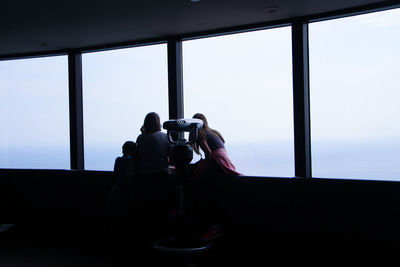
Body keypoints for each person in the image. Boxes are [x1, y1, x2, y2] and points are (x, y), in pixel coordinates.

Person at [133, 112, 173, 241]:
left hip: (145, 178)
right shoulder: (165, 137)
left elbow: (137, 157)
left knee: (148, 211)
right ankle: (163, 236)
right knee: (162, 210)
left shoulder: (141, 138)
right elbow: (172, 155)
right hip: (161, 177)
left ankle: (150, 239)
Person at [105, 141, 136, 242]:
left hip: (114, 192)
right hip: (125, 194)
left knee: (114, 219)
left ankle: (113, 242)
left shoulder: (118, 160)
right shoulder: (131, 161)